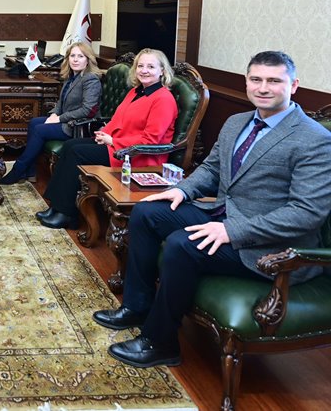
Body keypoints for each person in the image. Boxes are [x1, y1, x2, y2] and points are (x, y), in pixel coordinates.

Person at [93, 51, 331, 368]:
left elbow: (305, 213)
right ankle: (137, 306)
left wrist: (231, 231)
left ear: (294, 85)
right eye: (256, 79)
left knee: (182, 244)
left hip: (269, 245)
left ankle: (161, 342)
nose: (263, 87)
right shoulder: (237, 122)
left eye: (274, 81)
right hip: (222, 212)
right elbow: (211, 170)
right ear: (247, 82)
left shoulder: (315, 139)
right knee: (148, 213)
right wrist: (179, 190)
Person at [37, 48, 178, 229]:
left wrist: (113, 141)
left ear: (162, 71)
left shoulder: (163, 99)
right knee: (70, 145)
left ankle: (67, 214)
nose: (144, 70)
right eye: (140, 66)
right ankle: (56, 206)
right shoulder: (136, 91)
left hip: (137, 155)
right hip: (116, 144)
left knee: (77, 153)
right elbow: (117, 118)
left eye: (151, 66)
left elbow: (151, 140)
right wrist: (104, 132)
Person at [0, 42, 102, 185]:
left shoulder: (91, 79)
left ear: (88, 60)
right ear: (68, 58)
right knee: (34, 122)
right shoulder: (71, 76)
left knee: (40, 130)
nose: (76, 59)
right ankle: (30, 172)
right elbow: (61, 102)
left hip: (80, 126)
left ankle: (18, 169)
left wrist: (59, 118)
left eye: (80, 56)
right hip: (67, 120)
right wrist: (54, 114)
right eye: (72, 56)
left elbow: (88, 110)